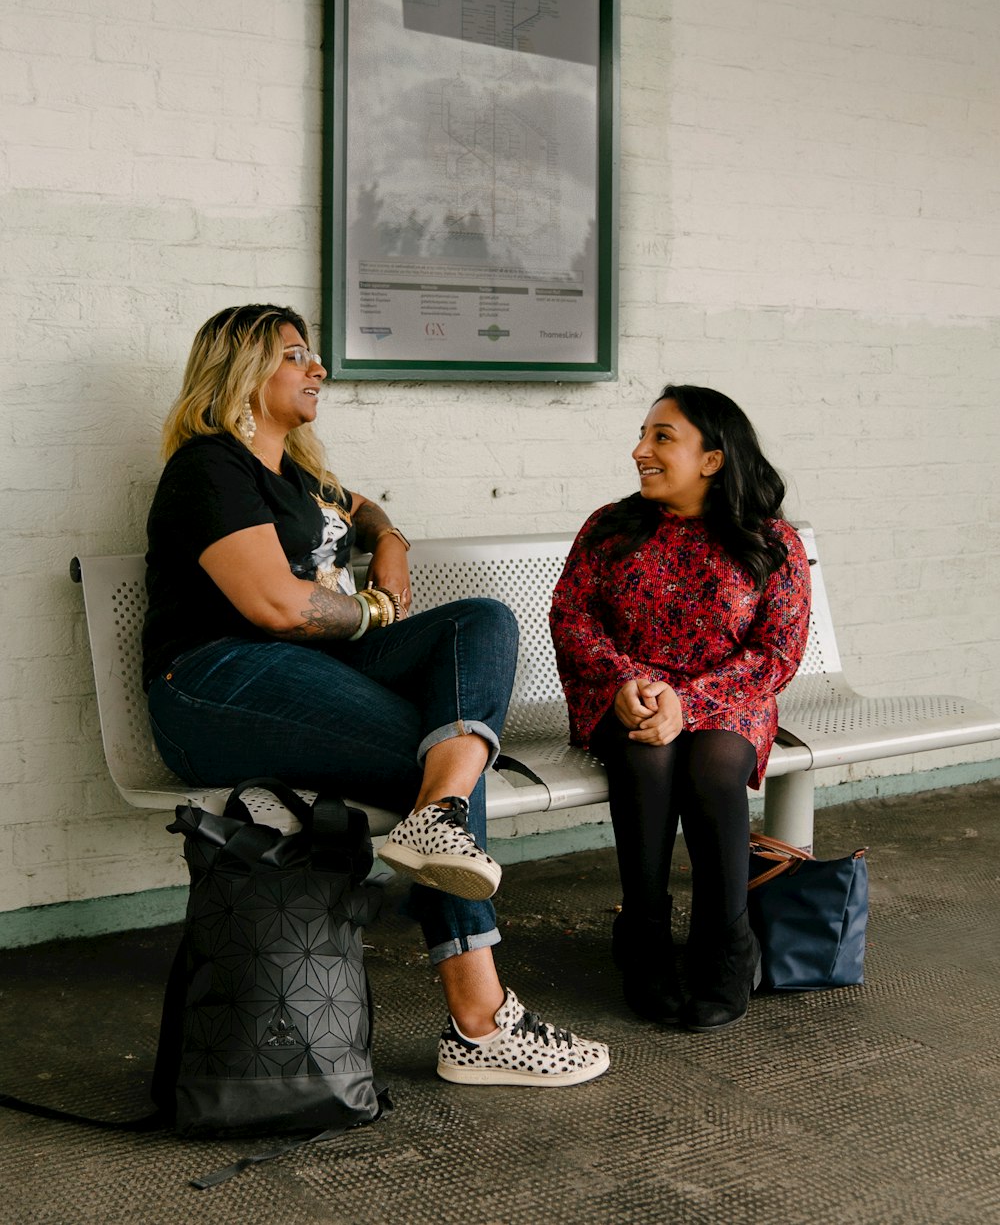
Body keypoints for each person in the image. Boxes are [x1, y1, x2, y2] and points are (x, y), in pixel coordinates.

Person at [142, 303, 609, 1087]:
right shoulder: (210, 467)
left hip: (314, 672)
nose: (318, 368)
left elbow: (362, 510)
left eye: (314, 354)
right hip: (217, 683)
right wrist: (372, 612)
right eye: (296, 355)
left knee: (480, 623)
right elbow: (278, 608)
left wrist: (387, 541)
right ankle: (481, 1022)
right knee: (432, 756)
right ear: (244, 373)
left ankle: (437, 821)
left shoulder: (302, 474)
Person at [549, 384, 811, 1033]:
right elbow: (571, 617)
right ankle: (643, 938)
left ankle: (726, 942)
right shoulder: (611, 526)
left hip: (729, 697)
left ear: (714, 460)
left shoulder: (771, 541)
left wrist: (688, 702)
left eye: (662, 437)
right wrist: (623, 683)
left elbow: (777, 652)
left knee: (713, 763)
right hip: (627, 696)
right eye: (643, 434)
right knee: (649, 754)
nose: (640, 450)